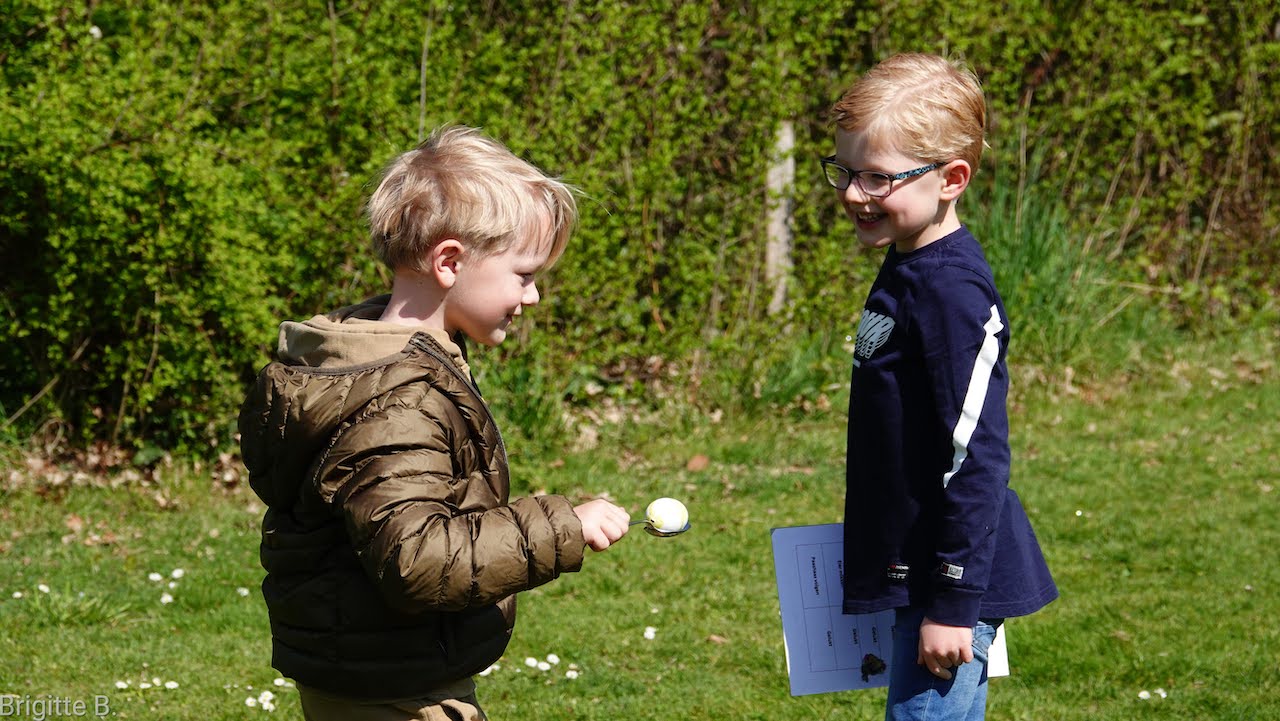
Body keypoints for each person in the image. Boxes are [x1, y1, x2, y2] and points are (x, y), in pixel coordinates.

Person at [237, 125, 631, 721]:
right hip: (399, 694)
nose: (532, 298)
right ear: (450, 261)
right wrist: (561, 526)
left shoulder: (377, 365)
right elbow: (418, 559)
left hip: (377, 671)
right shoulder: (400, 401)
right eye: (524, 275)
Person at [826, 54, 1058, 721]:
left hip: (948, 584)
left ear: (951, 178)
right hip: (916, 567)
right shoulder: (907, 261)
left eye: (877, 177)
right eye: (844, 170)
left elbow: (977, 456)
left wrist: (954, 603)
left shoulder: (952, 292)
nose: (852, 193)